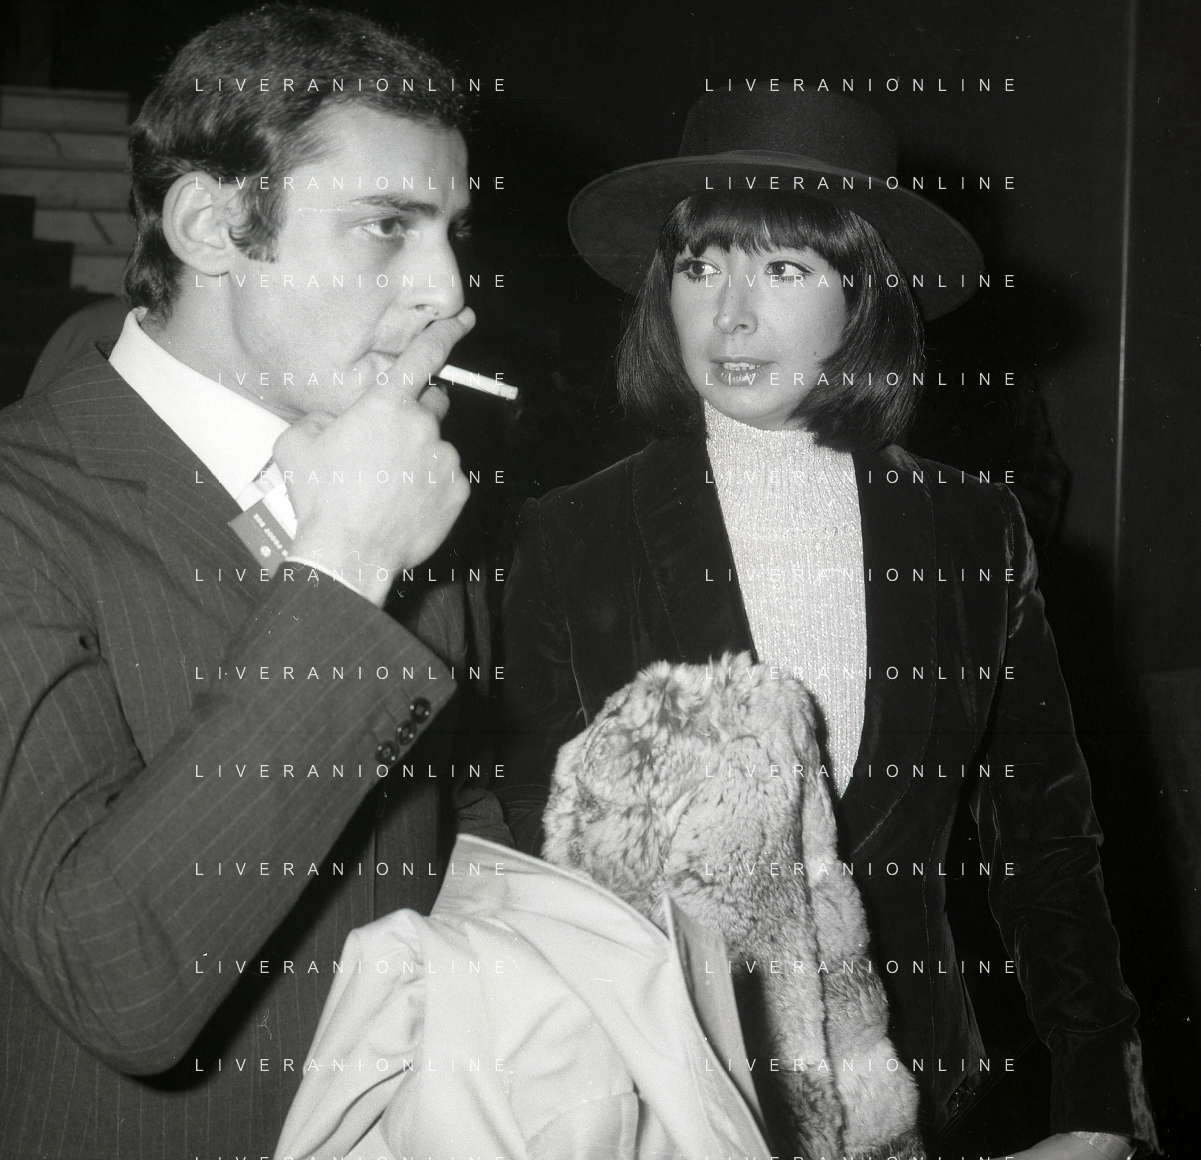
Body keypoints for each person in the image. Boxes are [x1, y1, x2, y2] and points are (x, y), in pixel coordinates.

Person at [501, 89, 1157, 1158]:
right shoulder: (575, 532)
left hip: (922, 1091)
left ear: (863, 298)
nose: (730, 315)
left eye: (783, 269)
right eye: (700, 266)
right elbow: (536, 848)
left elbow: (1045, 841)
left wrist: (1095, 1106)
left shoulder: (971, 527)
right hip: (666, 1100)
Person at [0, 6, 509, 1157]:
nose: (446, 290)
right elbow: (114, 975)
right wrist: (345, 566)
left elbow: (455, 812)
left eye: (450, 232)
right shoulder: (24, 507)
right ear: (212, 225)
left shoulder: (415, 484)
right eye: (388, 225)